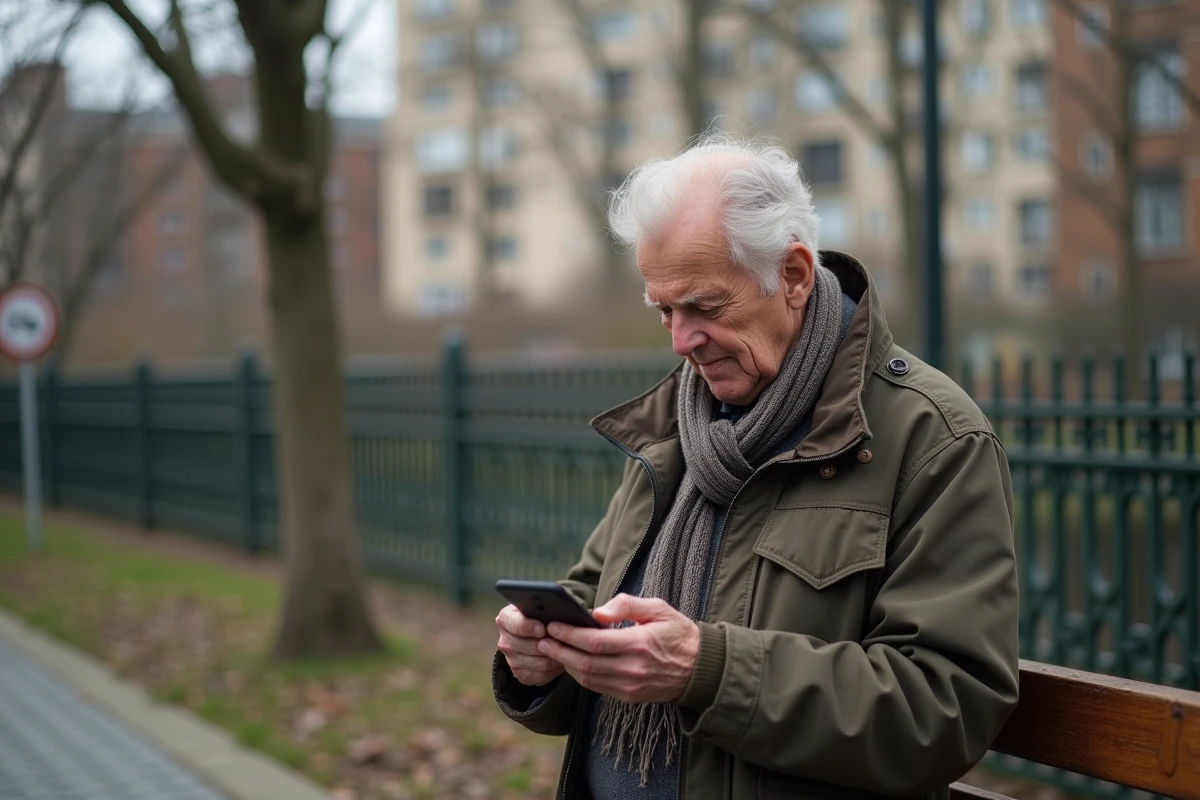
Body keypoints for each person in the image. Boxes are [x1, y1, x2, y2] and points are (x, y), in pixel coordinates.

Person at [491, 134, 1019, 800]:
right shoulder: (673, 428)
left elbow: (944, 708)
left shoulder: (932, 437)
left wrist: (707, 672)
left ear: (793, 276)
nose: (682, 340)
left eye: (706, 308)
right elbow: (594, 607)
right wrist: (543, 657)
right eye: (664, 310)